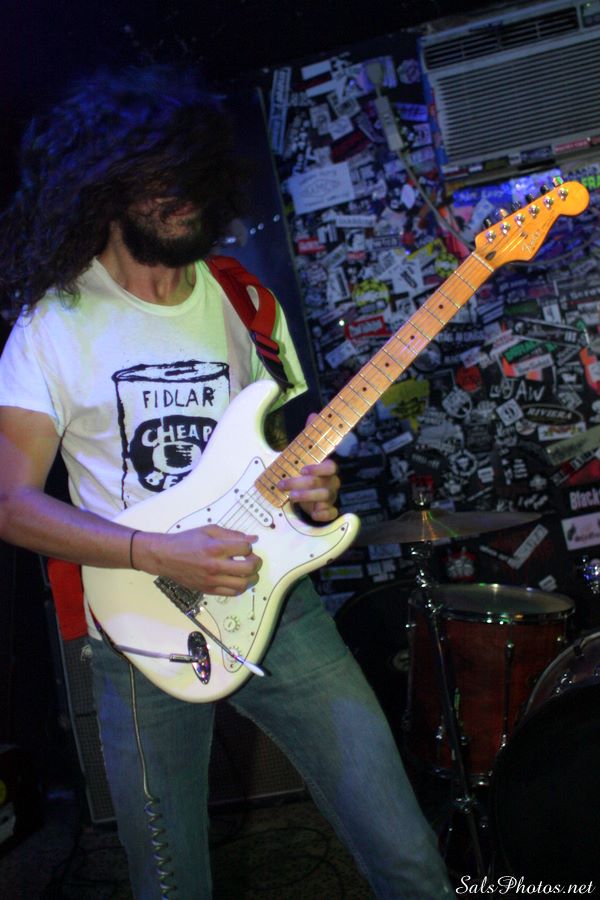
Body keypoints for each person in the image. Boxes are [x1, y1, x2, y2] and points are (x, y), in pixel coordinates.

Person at [0, 65, 455, 898]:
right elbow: (10, 503)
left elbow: (269, 453)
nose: (180, 199)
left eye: (191, 178)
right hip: (141, 629)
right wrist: (154, 551)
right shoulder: (50, 327)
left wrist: (310, 493)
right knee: (171, 886)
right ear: (103, 185)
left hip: (281, 607)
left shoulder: (246, 301)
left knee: (408, 856)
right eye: (155, 180)